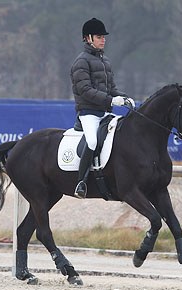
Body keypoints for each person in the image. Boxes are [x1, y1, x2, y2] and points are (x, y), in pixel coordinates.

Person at [70, 17, 135, 199]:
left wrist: (123, 97)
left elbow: (111, 89)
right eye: (99, 36)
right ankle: (81, 183)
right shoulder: (81, 62)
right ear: (88, 38)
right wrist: (111, 101)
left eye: (103, 37)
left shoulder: (105, 61)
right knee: (92, 142)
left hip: (105, 113)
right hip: (88, 113)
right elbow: (85, 90)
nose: (103, 39)